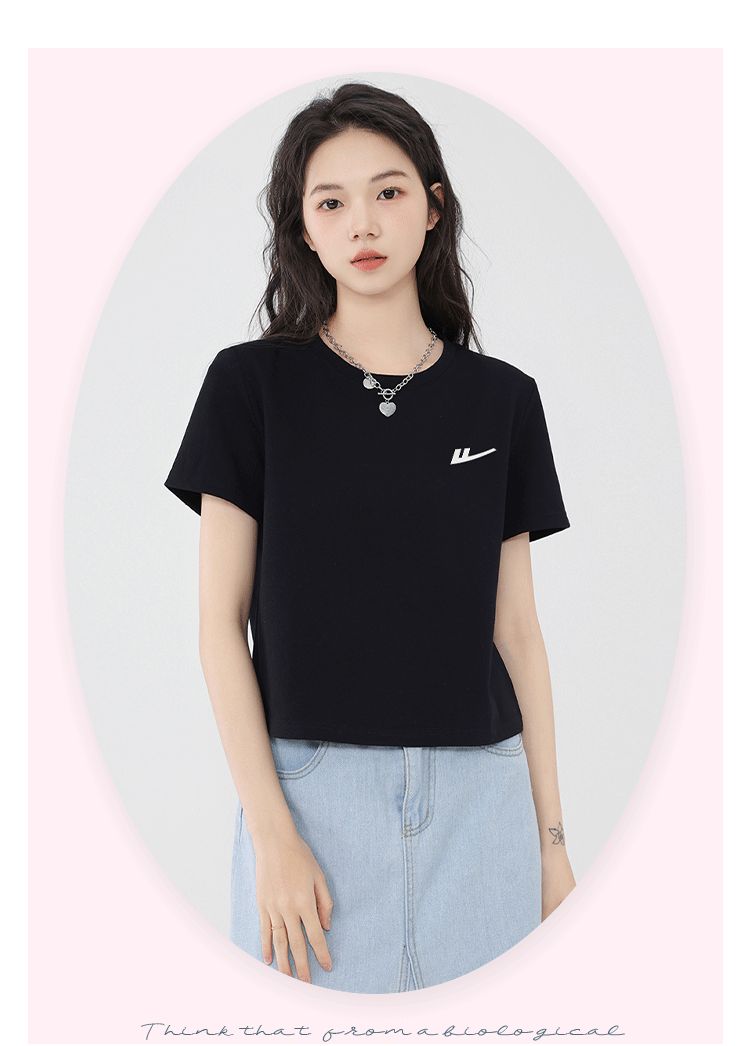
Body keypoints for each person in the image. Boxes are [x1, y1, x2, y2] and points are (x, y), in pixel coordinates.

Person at [164, 81, 576, 994]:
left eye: (388, 191)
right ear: (304, 230)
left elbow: (518, 634)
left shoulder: (503, 400)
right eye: (331, 201)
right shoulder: (250, 388)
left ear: (433, 207)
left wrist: (552, 846)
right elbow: (218, 625)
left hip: (484, 803)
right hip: (310, 800)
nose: (363, 222)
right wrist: (272, 832)